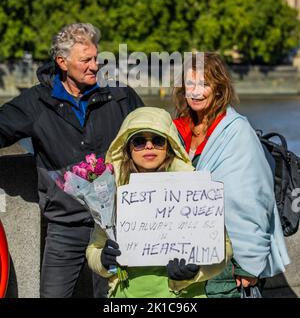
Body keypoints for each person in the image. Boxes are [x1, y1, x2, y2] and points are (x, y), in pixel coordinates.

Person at [0, 23, 144, 298]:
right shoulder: (36, 102)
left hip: (116, 226)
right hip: (65, 226)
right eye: (86, 60)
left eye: (97, 58)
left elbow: (153, 135)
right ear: (62, 62)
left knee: (114, 299)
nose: (95, 65)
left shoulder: (119, 95)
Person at [173, 52, 290, 298]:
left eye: (204, 84)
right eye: (190, 83)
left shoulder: (237, 132)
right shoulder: (176, 129)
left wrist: (249, 263)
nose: (195, 91)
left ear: (219, 88)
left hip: (228, 262)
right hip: (186, 256)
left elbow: (253, 200)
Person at [86, 107, 233, 298]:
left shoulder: (194, 187)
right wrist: (104, 261)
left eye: (157, 140)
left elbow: (224, 248)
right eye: (139, 141)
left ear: (169, 145)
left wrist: (195, 272)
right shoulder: (113, 191)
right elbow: (94, 249)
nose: (149, 146)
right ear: (128, 148)